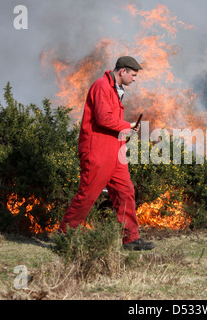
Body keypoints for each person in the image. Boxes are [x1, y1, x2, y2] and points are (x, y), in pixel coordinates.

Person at [58, 56, 155, 251]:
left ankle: (130, 238)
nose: (135, 79)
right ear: (123, 72)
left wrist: (126, 129)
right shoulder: (102, 86)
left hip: (114, 152)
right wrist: (128, 125)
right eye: (133, 75)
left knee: (125, 192)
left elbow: (110, 120)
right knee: (87, 195)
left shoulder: (115, 88)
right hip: (97, 152)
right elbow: (103, 119)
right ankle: (64, 236)